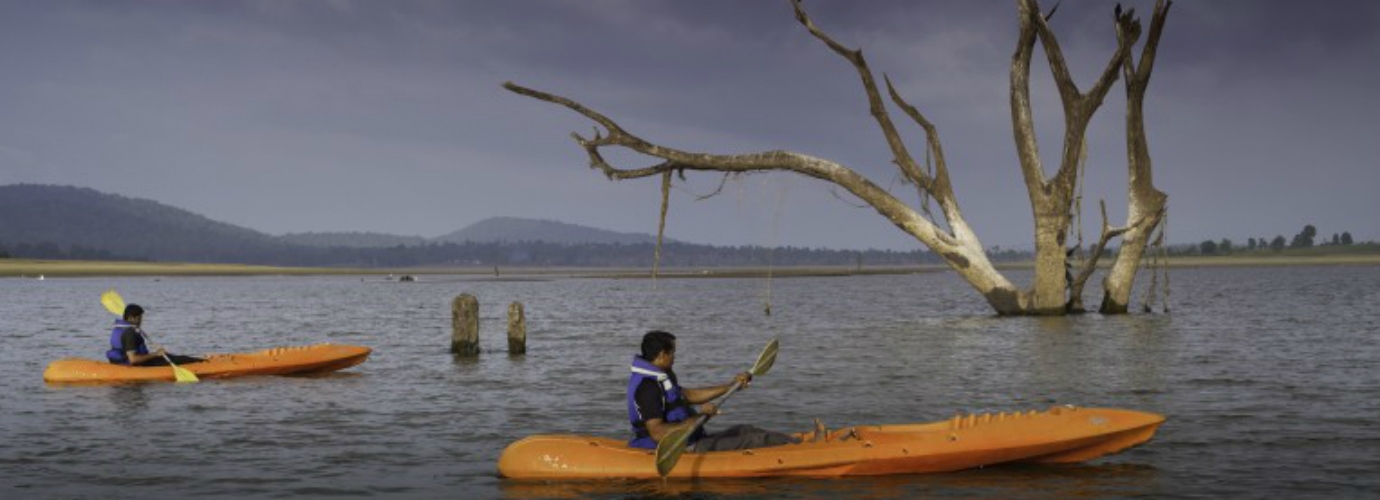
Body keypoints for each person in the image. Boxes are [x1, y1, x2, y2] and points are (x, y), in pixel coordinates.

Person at [627, 330, 850, 452]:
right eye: (673, 352)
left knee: (746, 428)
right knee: (755, 440)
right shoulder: (647, 387)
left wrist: (731, 385)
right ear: (663, 355)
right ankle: (811, 450)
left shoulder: (662, 376)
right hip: (680, 448)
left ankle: (799, 446)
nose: (675, 356)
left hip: (693, 437)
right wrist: (701, 416)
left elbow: (688, 396)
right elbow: (657, 433)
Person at [105, 304, 204, 366]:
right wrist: (156, 354)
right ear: (131, 318)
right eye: (139, 318)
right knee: (177, 359)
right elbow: (133, 359)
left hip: (118, 362)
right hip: (134, 364)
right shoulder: (129, 333)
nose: (141, 320)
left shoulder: (120, 328)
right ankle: (202, 363)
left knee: (169, 356)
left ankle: (199, 360)